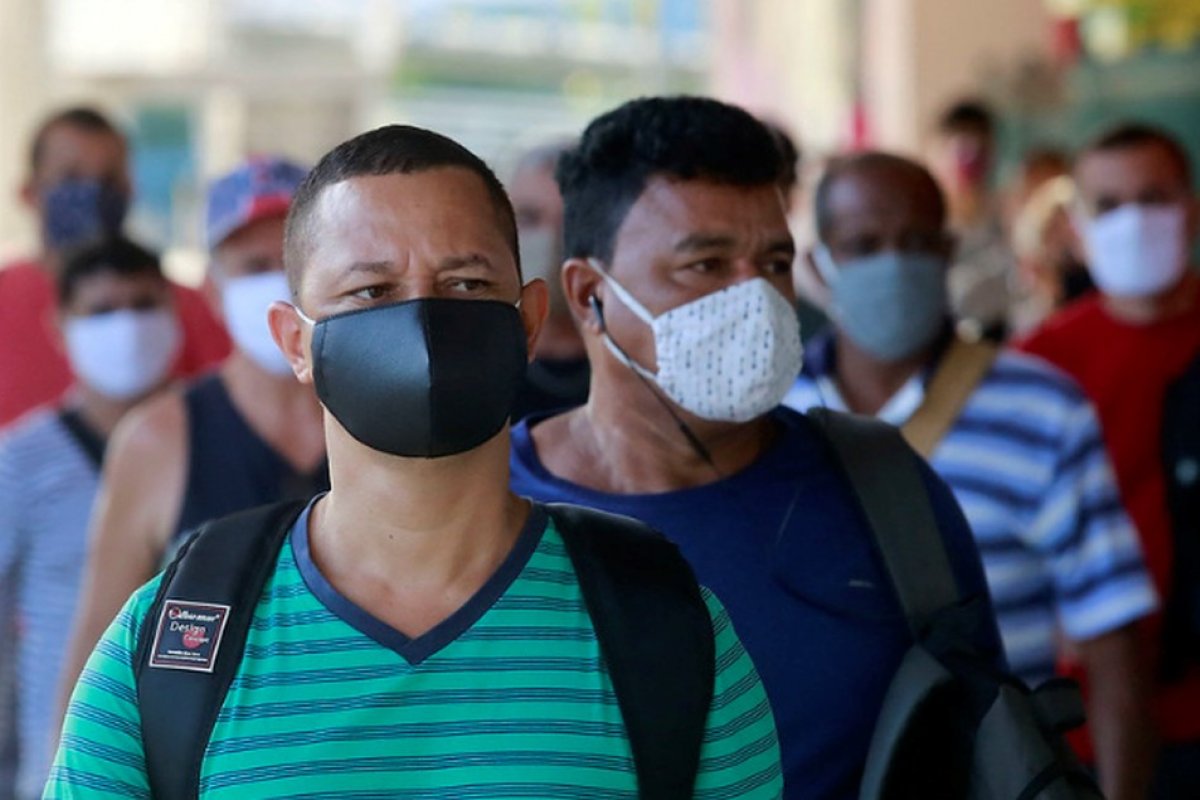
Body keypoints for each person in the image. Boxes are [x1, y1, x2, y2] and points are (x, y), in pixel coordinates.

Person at [47, 123, 783, 798]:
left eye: (465, 285)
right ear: (296, 343)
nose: (424, 321)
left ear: (527, 322)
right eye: (371, 291)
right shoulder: (173, 649)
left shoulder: (664, 628)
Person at [507, 95, 1003, 799]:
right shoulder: (482, 511)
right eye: (705, 265)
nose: (757, 298)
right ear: (590, 295)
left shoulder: (887, 497)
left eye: (773, 263)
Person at [784, 151, 1159, 800]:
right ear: (818, 265)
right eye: (863, 245)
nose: (892, 263)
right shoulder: (770, 415)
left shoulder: (1044, 408)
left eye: (917, 242)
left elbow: (1113, 649)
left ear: (949, 251)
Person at [54, 157, 330, 719]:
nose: (276, 284)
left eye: (290, 261)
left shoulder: (387, 420)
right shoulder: (159, 440)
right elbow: (93, 669)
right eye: (253, 266)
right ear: (210, 289)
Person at [1021, 123, 1200, 799]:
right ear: (1073, 227)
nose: (1134, 220)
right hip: (1090, 723)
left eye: (1153, 196)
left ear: (1190, 209)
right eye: (1109, 204)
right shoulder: (1038, 369)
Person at [0, 237, 179, 800]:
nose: (125, 326)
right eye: (101, 311)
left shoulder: (207, 440)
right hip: (63, 765)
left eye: (143, 305)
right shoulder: (18, 460)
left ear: (173, 315)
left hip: (194, 755)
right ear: (60, 326)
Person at [0, 106, 229, 428]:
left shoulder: (184, 306)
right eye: (72, 178)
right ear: (29, 193)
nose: (93, 193)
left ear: (129, 191)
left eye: (109, 179)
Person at [507, 140, 590, 419]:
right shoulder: (470, 365)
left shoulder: (641, 366)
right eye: (529, 218)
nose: (552, 237)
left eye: (571, 220)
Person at [927, 99, 1015, 341]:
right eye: (961, 152)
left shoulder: (1009, 214)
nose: (970, 163)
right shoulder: (928, 219)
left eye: (981, 151)